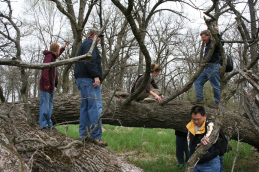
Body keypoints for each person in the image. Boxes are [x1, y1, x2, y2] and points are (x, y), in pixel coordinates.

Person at [74, 28, 107, 147]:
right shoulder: (89, 44)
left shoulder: (85, 44)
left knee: (86, 107)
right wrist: (96, 76)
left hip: (83, 79)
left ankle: (83, 135)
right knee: (96, 106)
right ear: (93, 35)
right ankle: (96, 136)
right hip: (89, 79)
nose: (99, 39)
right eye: (98, 36)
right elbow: (90, 60)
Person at [191, 26, 224, 109]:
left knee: (215, 85)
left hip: (213, 67)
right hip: (205, 67)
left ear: (208, 36)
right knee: (197, 81)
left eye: (203, 37)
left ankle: (217, 103)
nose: (202, 39)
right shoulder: (207, 45)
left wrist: (217, 33)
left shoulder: (214, 43)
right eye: (201, 38)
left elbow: (222, 43)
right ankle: (199, 99)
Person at [39, 42, 68, 130]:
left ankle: (49, 124)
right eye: (59, 50)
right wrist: (47, 82)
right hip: (46, 86)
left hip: (51, 87)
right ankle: (43, 125)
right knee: (45, 105)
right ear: (56, 50)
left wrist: (63, 47)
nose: (59, 52)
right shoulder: (49, 56)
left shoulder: (53, 56)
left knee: (49, 106)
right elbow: (45, 69)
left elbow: (57, 55)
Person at [186, 105, 220, 172]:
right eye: (193, 119)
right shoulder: (190, 126)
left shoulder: (210, 126)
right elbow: (189, 142)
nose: (196, 122)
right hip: (195, 162)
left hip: (209, 164)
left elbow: (209, 135)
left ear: (204, 116)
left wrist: (205, 139)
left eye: (198, 119)